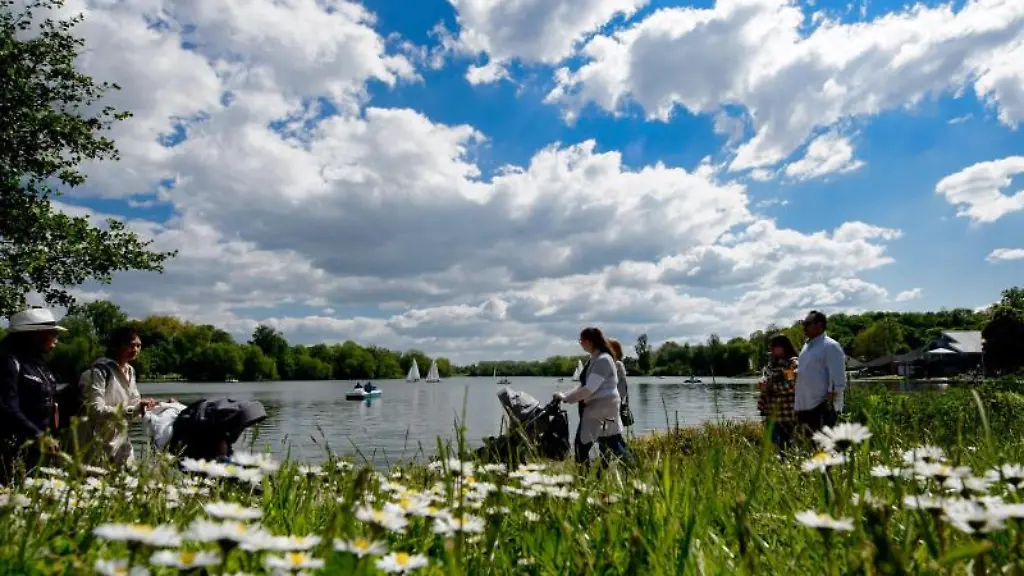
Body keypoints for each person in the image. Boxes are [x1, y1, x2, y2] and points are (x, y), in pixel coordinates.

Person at [553, 327, 633, 469]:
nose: (580, 343)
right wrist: (565, 394)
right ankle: (632, 468)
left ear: (589, 341)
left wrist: (567, 399)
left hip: (599, 409)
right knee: (612, 441)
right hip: (603, 408)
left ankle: (583, 478)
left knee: (581, 445)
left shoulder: (602, 360)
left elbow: (590, 389)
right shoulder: (596, 359)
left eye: (581, 340)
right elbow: (584, 385)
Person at [0, 308, 64, 482]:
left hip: (40, 449)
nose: (56, 339)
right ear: (34, 335)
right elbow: (7, 406)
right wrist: (38, 435)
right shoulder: (8, 361)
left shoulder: (38, 363)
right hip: (12, 449)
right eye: (53, 334)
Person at [78, 326, 155, 466]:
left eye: (138, 346)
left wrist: (155, 405)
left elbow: (135, 408)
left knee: (128, 483)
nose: (135, 349)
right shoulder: (99, 371)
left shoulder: (130, 370)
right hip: (97, 444)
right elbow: (95, 410)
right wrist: (133, 410)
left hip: (122, 444)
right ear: (116, 346)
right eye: (131, 345)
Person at [794, 310, 847, 438]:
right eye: (803, 323)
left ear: (820, 325)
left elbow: (837, 380)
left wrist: (828, 407)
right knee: (808, 450)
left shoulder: (830, 346)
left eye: (807, 323)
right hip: (804, 407)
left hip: (821, 408)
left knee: (824, 450)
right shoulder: (806, 347)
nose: (803, 327)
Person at [757, 334, 799, 452]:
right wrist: (762, 382)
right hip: (771, 413)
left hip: (786, 414)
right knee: (776, 446)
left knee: (788, 446)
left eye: (773, 346)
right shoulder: (771, 364)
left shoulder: (792, 364)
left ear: (783, 347)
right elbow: (765, 377)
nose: (771, 349)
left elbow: (792, 386)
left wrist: (770, 387)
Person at [607, 338, 633, 428]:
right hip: (615, 401)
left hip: (613, 402)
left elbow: (611, 382)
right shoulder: (615, 364)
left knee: (611, 431)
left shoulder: (617, 364)